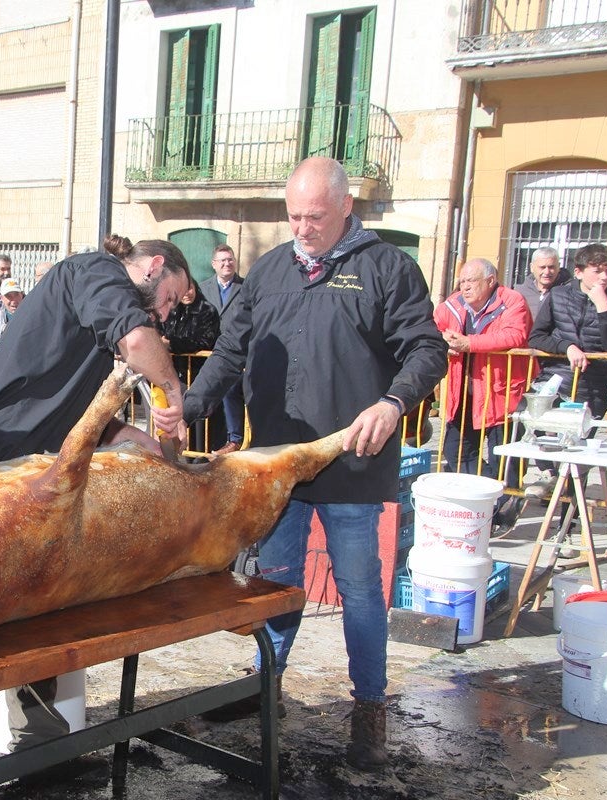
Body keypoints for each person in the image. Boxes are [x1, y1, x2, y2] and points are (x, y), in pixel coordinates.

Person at [181, 157, 447, 772]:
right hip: (280, 470)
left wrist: (394, 401)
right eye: (294, 216)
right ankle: (264, 683)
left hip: (351, 466)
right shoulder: (271, 271)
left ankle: (369, 708)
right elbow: (229, 351)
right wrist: (190, 406)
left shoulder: (386, 268)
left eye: (316, 217)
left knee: (358, 591)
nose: (302, 227)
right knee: (274, 583)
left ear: (346, 207)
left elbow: (427, 349)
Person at [0, 234, 190, 785]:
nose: (167, 313)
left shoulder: (97, 303)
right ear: (153, 267)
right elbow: (135, 341)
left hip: (39, 473)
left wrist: (128, 435)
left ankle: (46, 752)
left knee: (44, 611)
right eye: (171, 297)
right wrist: (171, 389)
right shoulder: (95, 273)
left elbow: (72, 400)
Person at [523, 243, 607, 499]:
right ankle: (543, 479)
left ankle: (568, 517)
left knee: (578, 456)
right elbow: (537, 336)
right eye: (597, 270)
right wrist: (566, 346)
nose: (604, 277)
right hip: (557, 380)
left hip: (593, 386)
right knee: (534, 431)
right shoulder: (558, 296)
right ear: (579, 272)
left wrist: (603, 306)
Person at [433, 258, 532, 478]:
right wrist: (442, 340)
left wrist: (469, 343)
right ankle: (488, 493)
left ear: (490, 281)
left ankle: (505, 504)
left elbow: (515, 335)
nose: (464, 286)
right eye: (462, 281)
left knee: (506, 460)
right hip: (463, 394)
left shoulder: (512, 301)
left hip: (500, 394)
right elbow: (430, 328)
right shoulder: (452, 304)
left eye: (471, 281)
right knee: (456, 450)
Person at [160, 277, 221, 454]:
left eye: (190, 289)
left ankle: (199, 456)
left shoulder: (207, 310)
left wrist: (171, 344)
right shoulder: (173, 311)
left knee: (200, 422)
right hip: (176, 372)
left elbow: (205, 341)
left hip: (199, 372)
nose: (187, 293)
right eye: (183, 289)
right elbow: (161, 332)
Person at [198, 244, 244, 455]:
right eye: (223, 260)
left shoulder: (246, 287)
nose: (227, 264)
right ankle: (204, 445)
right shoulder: (203, 288)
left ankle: (234, 439)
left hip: (235, 355)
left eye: (230, 259)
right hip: (209, 355)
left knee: (230, 392)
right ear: (214, 264)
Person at [515, 247, 567, 317]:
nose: (547, 272)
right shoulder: (518, 293)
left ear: (558, 267)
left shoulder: (568, 293)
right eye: (542, 267)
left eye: (551, 267)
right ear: (532, 267)